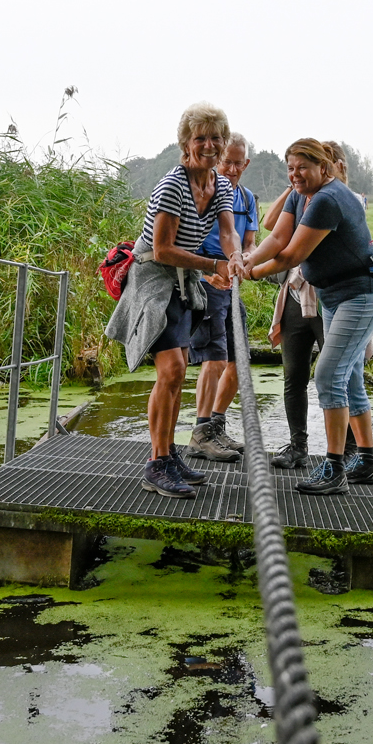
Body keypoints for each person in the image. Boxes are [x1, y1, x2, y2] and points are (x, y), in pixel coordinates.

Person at [237, 139, 373, 495]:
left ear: (325, 168)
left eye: (302, 167)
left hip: (361, 295)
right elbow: (277, 236)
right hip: (333, 295)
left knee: (328, 374)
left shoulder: (327, 199)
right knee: (349, 375)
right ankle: (366, 460)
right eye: (290, 168)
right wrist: (249, 258)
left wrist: (252, 273)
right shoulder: (300, 194)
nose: (295, 174)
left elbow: (291, 255)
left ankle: (334, 468)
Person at [106, 103, 240, 499]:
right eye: (200, 138)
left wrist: (233, 259)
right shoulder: (172, 185)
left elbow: (229, 232)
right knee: (171, 370)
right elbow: (163, 249)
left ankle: (167, 455)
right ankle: (156, 463)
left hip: (184, 280)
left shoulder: (220, 185)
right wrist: (211, 262)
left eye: (216, 137)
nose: (210, 145)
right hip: (153, 277)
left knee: (178, 371)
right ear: (185, 143)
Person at [184, 133, 258, 462]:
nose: (230, 168)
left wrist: (246, 261)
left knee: (239, 362)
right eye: (225, 161)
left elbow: (249, 242)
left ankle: (215, 426)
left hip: (232, 284)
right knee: (214, 358)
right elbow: (185, 246)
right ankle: (200, 435)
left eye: (236, 163)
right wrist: (207, 273)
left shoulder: (247, 199)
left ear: (246, 164)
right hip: (206, 283)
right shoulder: (206, 193)